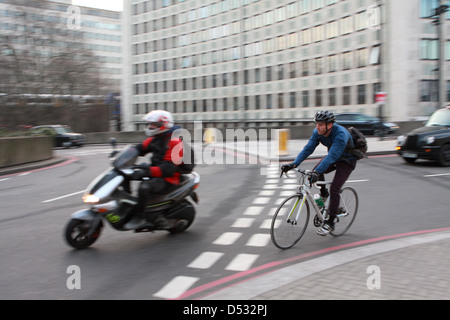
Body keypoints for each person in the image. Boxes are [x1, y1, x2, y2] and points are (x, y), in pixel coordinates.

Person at [281, 110, 357, 236]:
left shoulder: (340, 134)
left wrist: (317, 171)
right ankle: (323, 194)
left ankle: (330, 223)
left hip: (346, 161)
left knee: (335, 188)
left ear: (330, 125)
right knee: (314, 173)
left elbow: (332, 156)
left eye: (321, 124)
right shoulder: (318, 132)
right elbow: (308, 149)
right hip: (333, 158)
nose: (317, 127)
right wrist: (293, 164)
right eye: (317, 124)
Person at [126, 110, 184, 229]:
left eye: (154, 124)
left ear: (164, 124)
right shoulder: (156, 138)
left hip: (169, 177)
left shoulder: (175, 142)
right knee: (126, 174)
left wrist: (147, 171)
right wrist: (124, 153)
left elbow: (169, 169)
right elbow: (140, 148)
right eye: (150, 124)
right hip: (156, 172)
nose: (150, 127)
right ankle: (129, 206)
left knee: (144, 187)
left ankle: (141, 217)